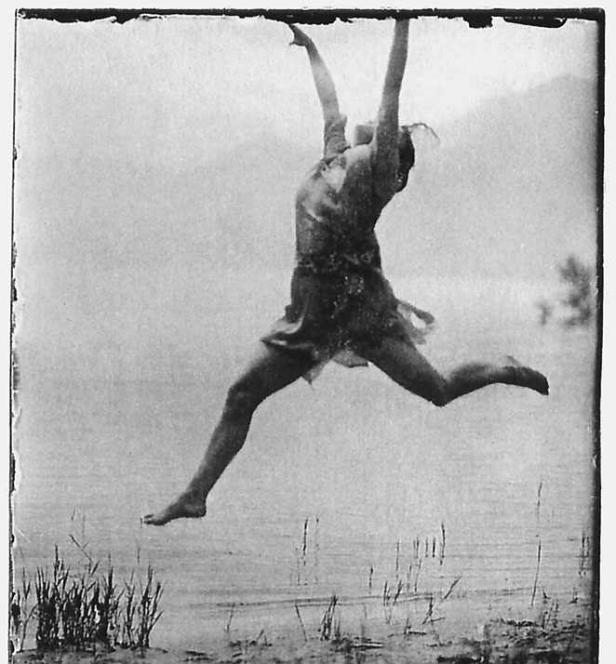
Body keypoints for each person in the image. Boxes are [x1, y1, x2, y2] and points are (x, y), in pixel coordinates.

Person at [143, 20, 548, 526]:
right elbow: (330, 103)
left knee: (438, 390)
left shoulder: (376, 173)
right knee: (241, 394)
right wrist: (312, 48)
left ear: (388, 154)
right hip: (309, 312)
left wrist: (403, 20)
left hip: (357, 311)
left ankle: (504, 368)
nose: (377, 121)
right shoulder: (333, 156)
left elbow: (391, 87)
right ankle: (195, 495)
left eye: (387, 128)